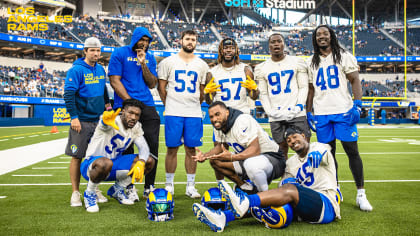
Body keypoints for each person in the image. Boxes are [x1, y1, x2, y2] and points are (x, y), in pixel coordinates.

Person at [192, 126, 340, 232]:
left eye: (295, 137)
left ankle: (245, 201)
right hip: (302, 207)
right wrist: (285, 183)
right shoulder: (291, 163)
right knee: (272, 199)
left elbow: (322, 152)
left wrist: (316, 156)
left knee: (289, 190)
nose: (292, 141)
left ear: (303, 135)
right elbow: (284, 185)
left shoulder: (318, 147)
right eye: (288, 140)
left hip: (325, 205)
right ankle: (222, 218)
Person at [306, 25, 372, 211]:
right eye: (318, 35)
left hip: (343, 110)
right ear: (315, 39)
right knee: (329, 154)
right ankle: (335, 189)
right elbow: (311, 89)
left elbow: (355, 80)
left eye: (325, 33)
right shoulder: (311, 61)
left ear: (331, 36)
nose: (322, 37)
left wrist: (358, 104)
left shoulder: (344, 56)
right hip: (322, 113)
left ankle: (361, 194)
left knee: (352, 152)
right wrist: (308, 111)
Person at [108, 27, 160, 198]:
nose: (144, 43)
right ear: (135, 39)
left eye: (147, 41)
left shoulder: (150, 57)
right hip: (125, 105)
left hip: (147, 105)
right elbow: (115, 81)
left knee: (152, 145)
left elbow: (152, 84)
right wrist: (130, 104)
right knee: (126, 146)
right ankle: (128, 186)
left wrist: (143, 63)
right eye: (141, 40)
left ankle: (149, 186)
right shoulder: (120, 53)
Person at [157, 30, 209, 198]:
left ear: (196, 42)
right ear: (180, 40)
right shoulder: (168, 62)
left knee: (192, 150)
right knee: (171, 148)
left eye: (193, 39)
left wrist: (193, 104)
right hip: (173, 112)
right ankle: (169, 184)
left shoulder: (202, 65)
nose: (190, 42)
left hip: (193, 113)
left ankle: (190, 186)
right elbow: (161, 88)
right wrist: (170, 105)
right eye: (187, 39)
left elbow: (202, 92)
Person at [80, 99, 156, 212]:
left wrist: (141, 161)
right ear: (123, 111)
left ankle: (118, 189)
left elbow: (144, 148)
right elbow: (104, 126)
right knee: (105, 162)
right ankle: (90, 193)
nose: (134, 117)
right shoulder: (112, 121)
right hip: (92, 166)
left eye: (137, 115)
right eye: (131, 113)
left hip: (114, 164)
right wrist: (104, 123)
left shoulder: (136, 127)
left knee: (149, 160)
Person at [193, 101, 286, 193]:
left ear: (227, 112)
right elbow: (220, 147)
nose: (214, 119)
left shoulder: (242, 121)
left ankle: (263, 196)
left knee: (251, 164)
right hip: (252, 160)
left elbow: (255, 150)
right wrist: (205, 156)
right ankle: (246, 187)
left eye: (217, 114)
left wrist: (232, 157)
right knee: (215, 160)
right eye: (211, 117)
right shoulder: (220, 126)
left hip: (273, 159)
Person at [64, 37, 111, 207]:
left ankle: (93, 189)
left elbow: (103, 89)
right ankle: (75, 192)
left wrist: (107, 105)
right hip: (82, 120)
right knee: (77, 156)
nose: (96, 53)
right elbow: (68, 94)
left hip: (98, 120)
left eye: (98, 50)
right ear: (85, 51)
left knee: (98, 157)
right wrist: (74, 117)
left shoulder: (100, 69)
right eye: (92, 50)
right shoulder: (76, 70)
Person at [255, 33, 311, 157]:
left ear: (283, 44)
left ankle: (307, 175)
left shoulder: (297, 61)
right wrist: (270, 111)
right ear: (268, 46)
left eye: (279, 41)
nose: (276, 44)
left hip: (297, 113)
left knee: (304, 147)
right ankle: (285, 176)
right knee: (281, 151)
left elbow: (303, 87)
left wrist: (299, 106)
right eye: (273, 42)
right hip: (276, 115)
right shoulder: (262, 67)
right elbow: (263, 93)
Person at [204, 38, 259, 113]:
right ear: (220, 50)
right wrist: (207, 93)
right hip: (223, 115)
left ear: (236, 51)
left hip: (242, 113)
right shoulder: (212, 73)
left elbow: (254, 97)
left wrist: (255, 89)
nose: (228, 50)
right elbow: (209, 101)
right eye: (225, 48)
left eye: (232, 48)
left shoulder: (245, 70)